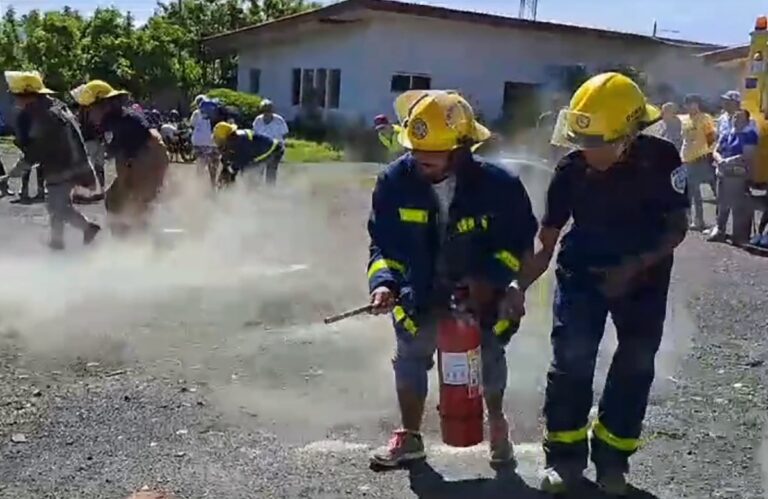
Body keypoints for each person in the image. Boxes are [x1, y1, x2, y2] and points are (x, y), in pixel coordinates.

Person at [524, 73, 689, 495]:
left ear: (631, 131)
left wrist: (631, 269)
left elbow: (675, 230)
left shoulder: (663, 160)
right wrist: (515, 286)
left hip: (645, 279)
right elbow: (547, 240)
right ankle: (564, 458)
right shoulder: (571, 168)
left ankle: (613, 461)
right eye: (583, 143)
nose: (589, 152)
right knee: (571, 363)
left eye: (600, 144)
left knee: (633, 366)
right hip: (581, 274)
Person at [367, 90, 538, 469]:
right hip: (420, 291)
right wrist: (384, 284)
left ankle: (496, 424)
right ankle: (409, 437)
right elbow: (383, 243)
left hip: (480, 295)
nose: (419, 163)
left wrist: (493, 280)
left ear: (461, 149)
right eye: (414, 153)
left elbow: (519, 243)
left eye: (431, 159)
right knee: (411, 357)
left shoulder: (500, 187)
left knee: (488, 355)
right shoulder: (394, 182)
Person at [3, 71, 100, 250]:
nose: (15, 100)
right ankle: (57, 241)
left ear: (29, 95)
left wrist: (12, 175)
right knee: (56, 204)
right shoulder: (54, 106)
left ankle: (87, 228)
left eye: (17, 96)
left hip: (63, 166)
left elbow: (36, 151)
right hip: (71, 163)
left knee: (58, 206)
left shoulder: (43, 116)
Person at [71, 80, 169, 236]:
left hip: (146, 164)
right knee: (116, 201)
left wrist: (154, 179)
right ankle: (126, 242)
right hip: (140, 163)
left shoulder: (121, 121)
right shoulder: (113, 121)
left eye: (90, 109)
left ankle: (140, 247)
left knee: (134, 207)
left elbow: (154, 145)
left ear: (103, 105)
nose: (88, 114)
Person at [707, 109, 758, 244]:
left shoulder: (749, 135)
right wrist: (719, 160)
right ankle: (720, 230)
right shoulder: (727, 134)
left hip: (737, 175)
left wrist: (727, 162)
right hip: (723, 172)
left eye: (739, 118)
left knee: (737, 205)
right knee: (722, 203)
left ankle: (739, 235)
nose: (736, 120)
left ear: (746, 121)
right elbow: (716, 150)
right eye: (735, 118)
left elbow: (747, 155)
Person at [680, 94, 717, 230]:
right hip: (686, 159)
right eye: (688, 104)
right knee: (690, 193)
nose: (691, 106)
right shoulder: (685, 120)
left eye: (693, 103)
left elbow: (711, 138)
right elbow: (684, 140)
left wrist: (709, 154)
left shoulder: (705, 118)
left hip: (700, 159)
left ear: (698, 104)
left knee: (708, 190)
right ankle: (692, 220)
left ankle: (705, 221)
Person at [212, 121, 284, 188]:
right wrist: (224, 169)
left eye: (220, 140)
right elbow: (227, 159)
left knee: (251, 171)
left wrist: (230, 175)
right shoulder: (233, 140)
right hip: (258, 150)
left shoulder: (241, 142)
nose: (218, 143)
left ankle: (264, 193)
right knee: (248, 169)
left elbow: (241, 163)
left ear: (228, 137)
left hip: (274, 150)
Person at [252, 100, 288, 185]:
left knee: (271, 171)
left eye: (269, 111)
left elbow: (285, 134)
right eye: (265, 111)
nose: (267, 113)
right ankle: (255, 189)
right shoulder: (258, 120)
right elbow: (255, 134)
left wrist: (281, 144)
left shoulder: (279, 120)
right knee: (258, 170)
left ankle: (270, 190)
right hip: (261, 149)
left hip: (275, 149)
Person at [190, 95, 219, 186]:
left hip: (199, 143)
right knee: (213, 166)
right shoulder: (215, 112)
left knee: (200, 165)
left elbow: (192, 124)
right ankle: (212, 184)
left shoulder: (196, 113)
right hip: (212, 143)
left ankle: (199, 186)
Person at [79, 104, 106, 191]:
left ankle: (95, 185)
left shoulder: (82, 111)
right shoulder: (97, 110)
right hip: (96, 139)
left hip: (90, 139)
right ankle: (100, 184)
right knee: (98, 163)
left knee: (92, 163)